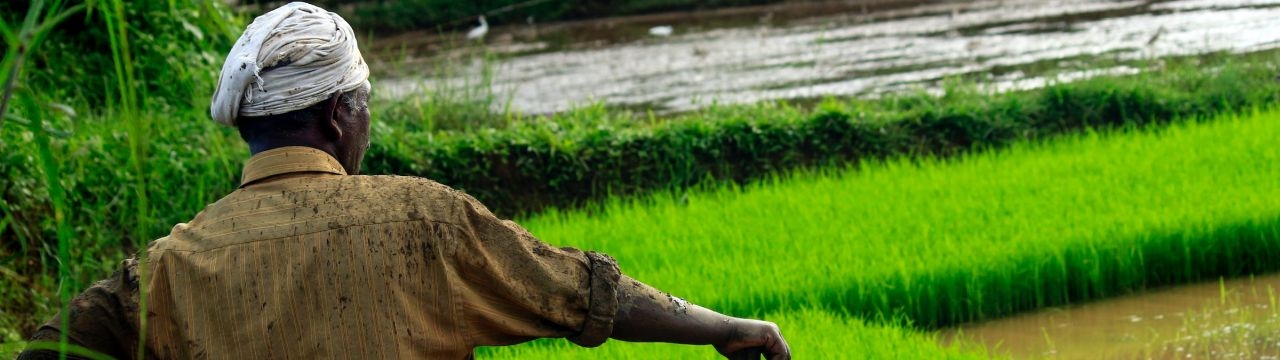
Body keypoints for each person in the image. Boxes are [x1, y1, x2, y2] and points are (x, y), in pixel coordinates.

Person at [19, 2, 791, 359]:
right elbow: (583, 290)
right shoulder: (422, 219)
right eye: (365, 105)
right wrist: (726, 328)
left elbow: (45, 350)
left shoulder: (167, 267)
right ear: (338, 117)